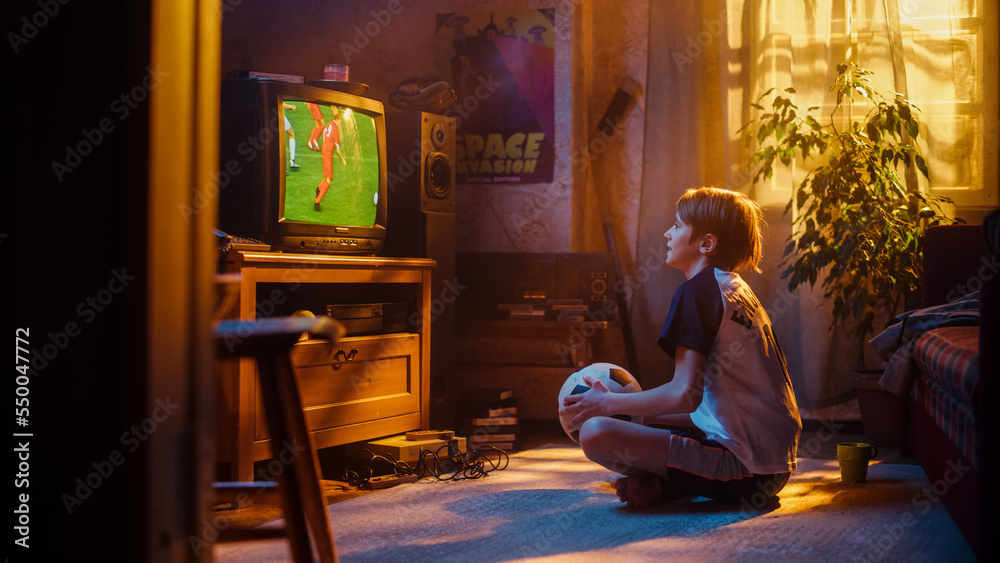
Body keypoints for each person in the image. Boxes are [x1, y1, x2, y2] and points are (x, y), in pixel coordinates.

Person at [560, 186, 801, 509]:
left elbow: (685, 396)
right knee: (639, 419)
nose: (667, 233)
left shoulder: (698, 293)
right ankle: (664, 487)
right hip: (773, 464)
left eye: (676, 225)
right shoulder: (736, 290)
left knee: (596, 431)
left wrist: (608, 403)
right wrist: (624, 404)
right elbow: (703, 405)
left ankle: (669, 484)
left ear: (706, 243)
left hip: (746, 469)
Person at [314, 107, 347, 212]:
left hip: (324, 149)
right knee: (329, 177)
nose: (341, 123)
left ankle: (319, 188)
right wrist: (343, 160)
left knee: (326, 175)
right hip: (328, 153)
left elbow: (324, 134)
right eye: (341, 121)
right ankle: (317, 202)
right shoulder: (336, 130)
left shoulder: (330, 123)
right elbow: (338, 151)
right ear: (338, 120)